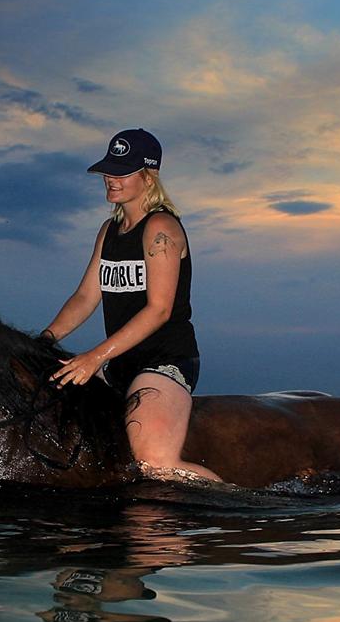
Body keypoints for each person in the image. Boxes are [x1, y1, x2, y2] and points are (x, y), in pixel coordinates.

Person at [43, 128, 223, 483]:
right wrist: (45, 339)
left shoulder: (161, 227)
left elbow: (159, 310)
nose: (111, 178)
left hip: (165, 360)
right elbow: (84, 297)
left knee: (154, 464)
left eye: (122, 171)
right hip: (119, 364)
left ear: (149, 175)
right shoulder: (108, 230)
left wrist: (95, 357)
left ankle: (241, 514)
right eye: (109, 170)